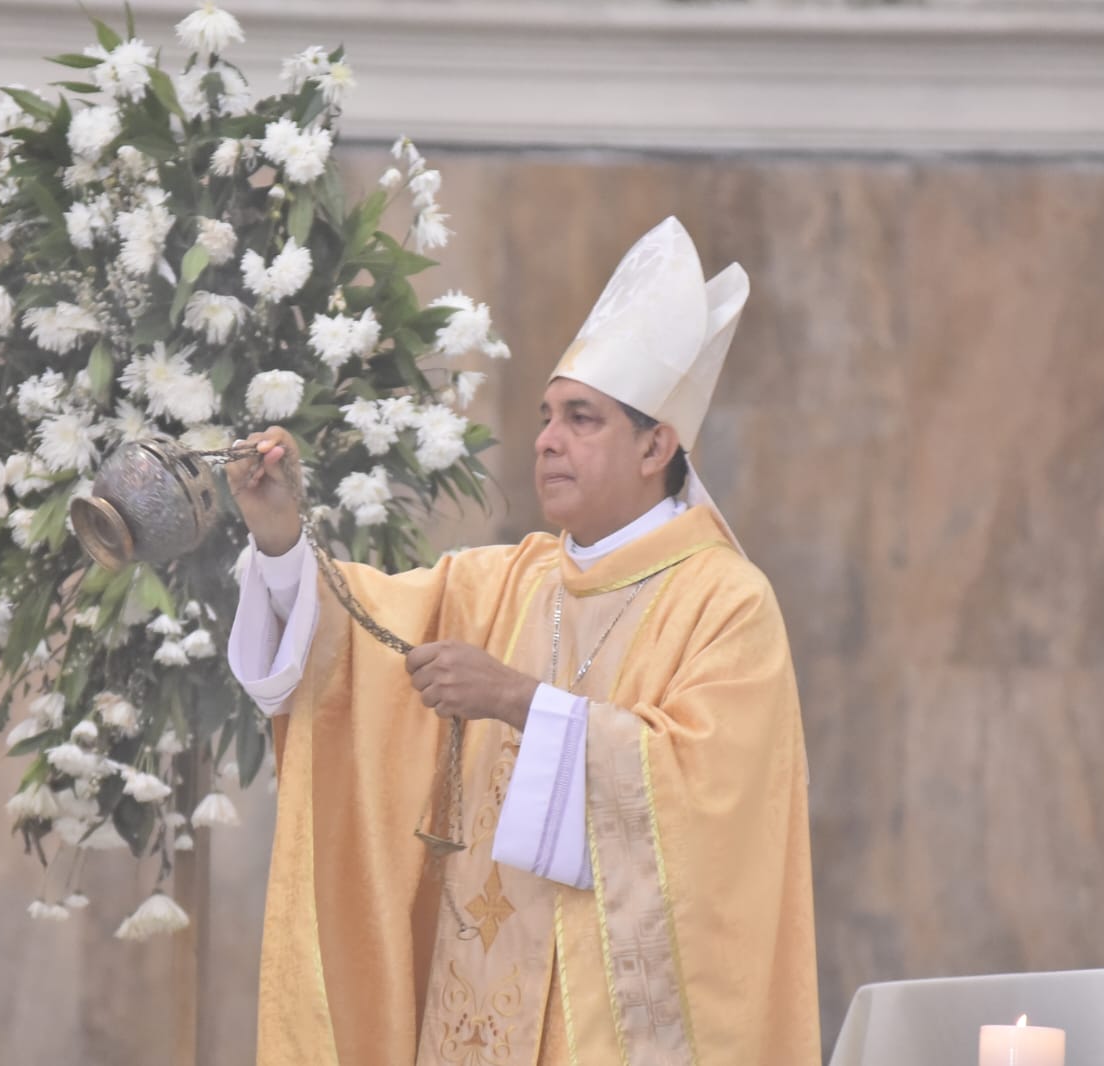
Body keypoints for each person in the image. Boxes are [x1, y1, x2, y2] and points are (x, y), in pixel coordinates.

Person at [226, 217, 819, 1066]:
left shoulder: (724, 602)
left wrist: (516, 702)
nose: (546, 440)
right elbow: (351, 645)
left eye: (582, 419)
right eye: (546, 417)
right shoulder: (504, 582)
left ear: (658, 444)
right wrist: (283, 538)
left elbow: (714, 809)